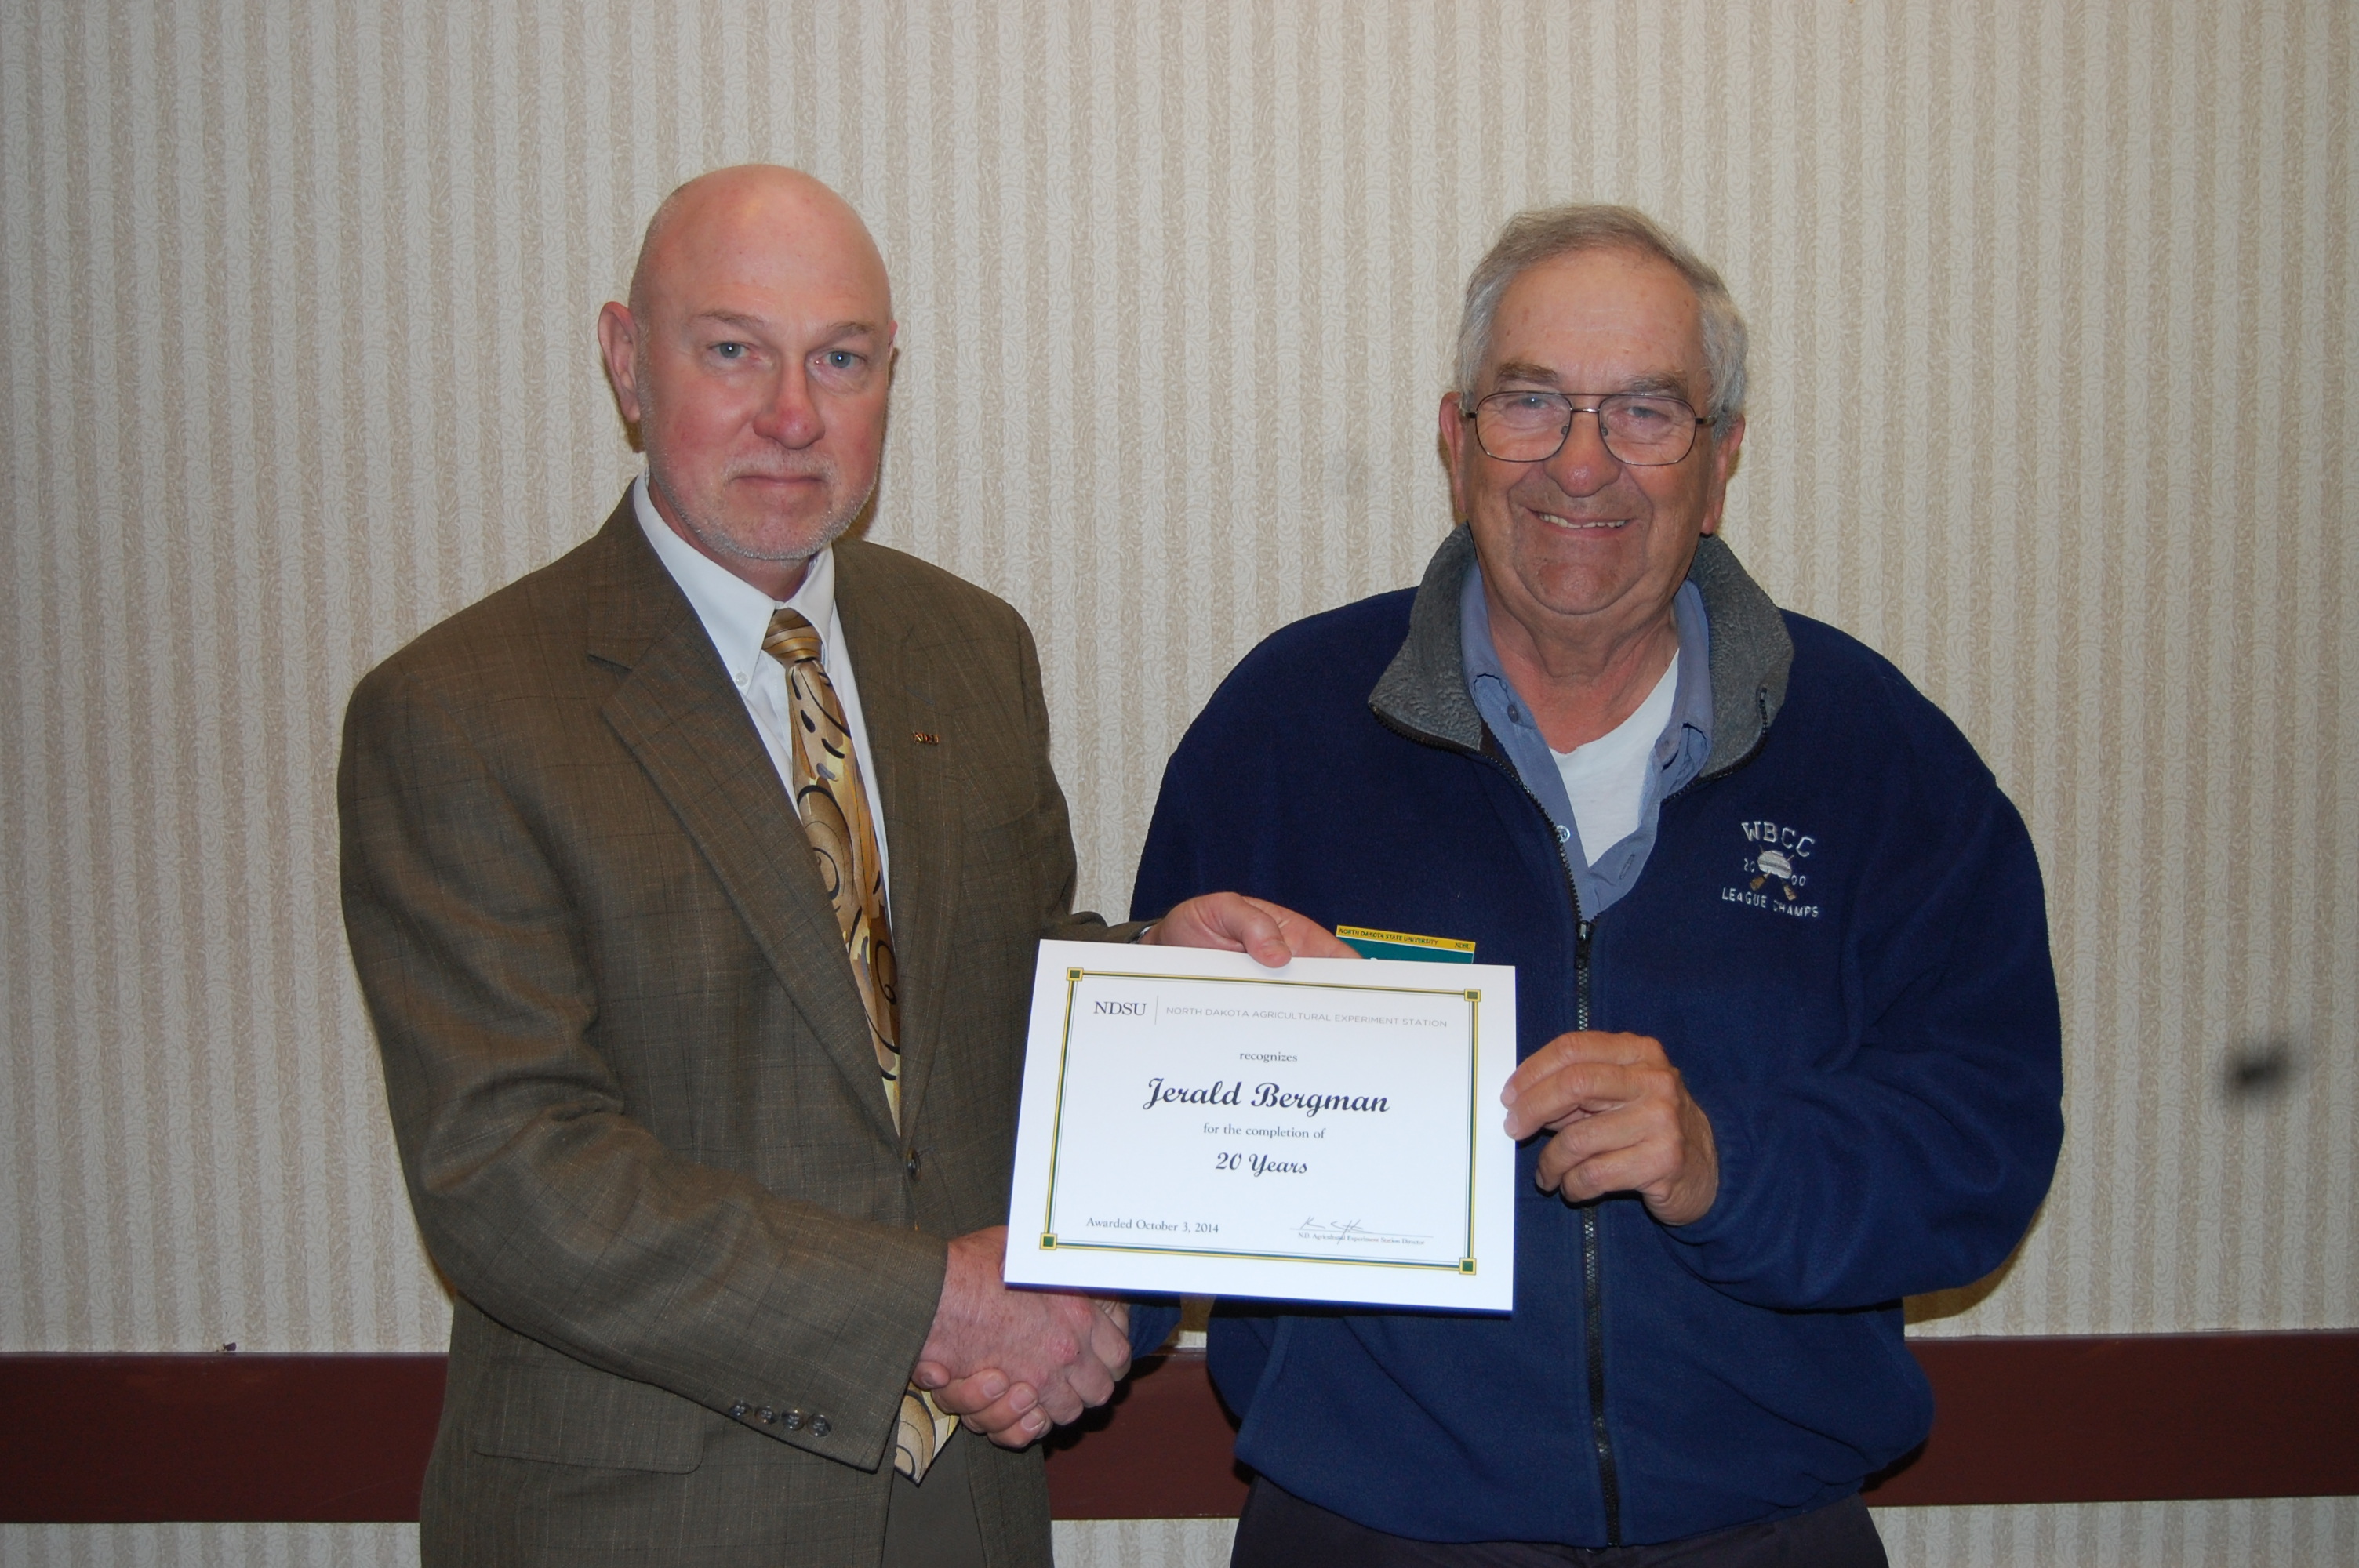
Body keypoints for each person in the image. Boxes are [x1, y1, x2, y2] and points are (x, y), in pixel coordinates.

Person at [339, 165, 1333, 1568]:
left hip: (962, 1516)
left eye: (842, 360)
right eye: (733, 350)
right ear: (628, 361)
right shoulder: (461, 710)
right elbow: (510, 1177)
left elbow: (982, 1011)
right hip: (635, 1525)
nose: (794, 415)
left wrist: (1152, 980)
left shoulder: (974, 650)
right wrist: (938, 1309)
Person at [1131, 205, 2065, 1565]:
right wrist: (1168, 1018)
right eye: (1532, 403)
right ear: (1457, 439)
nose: (1581, 465)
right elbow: (1151, 1160)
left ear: (1722, 456)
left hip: (1762, 1532)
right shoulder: (1286, 727)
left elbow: (1982, 1144)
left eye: (1645, 410)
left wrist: (1723, 1163)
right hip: (1363, 1532)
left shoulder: (1877, 754)